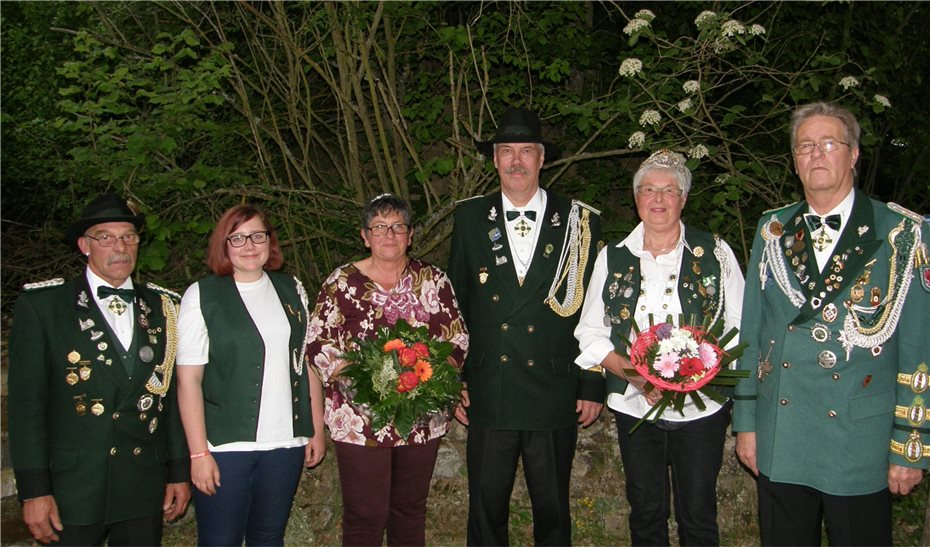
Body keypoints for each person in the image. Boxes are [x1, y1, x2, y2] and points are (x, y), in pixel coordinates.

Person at [733, 102, 930, 545]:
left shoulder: (901, 232)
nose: (816, 155)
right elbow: (753, 333)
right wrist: (747, 422)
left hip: (858, 438)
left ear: (854, 154)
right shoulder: (774, 229)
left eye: (829, 143)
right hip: (783, 432)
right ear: (795, 160)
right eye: (805, 146)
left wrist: (910, 446)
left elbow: (919, 346)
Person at [448, 107, 605, 546]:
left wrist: (591, 383)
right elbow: (457, 304)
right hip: (489, 385)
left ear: (541, 159)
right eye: (506, 152)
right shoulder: (469, 218)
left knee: (553, 507)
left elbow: (594, 309)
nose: (516, 161)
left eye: (526, 151)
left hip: (552, 386)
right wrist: (453, 378)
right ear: (495, 160)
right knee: (485, 504)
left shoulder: (578, 220)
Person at [573, 149, 745, 546]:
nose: (658, 199)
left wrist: (701, 372)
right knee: (646, 511)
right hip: (636, 407)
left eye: (670, 190)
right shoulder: (611, 257)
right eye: (649, 189)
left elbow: (739, 324)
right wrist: (636, 376)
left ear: (684, 199)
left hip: (704, 407)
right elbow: (590, 332)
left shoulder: (715, 252)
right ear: (637, 199)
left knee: (698, 513)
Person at [7, 192, 191, 545]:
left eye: (128, 237)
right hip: (72, 488)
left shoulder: (164, 306)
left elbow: (170, 399)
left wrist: (177, 472)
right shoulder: (44, 307)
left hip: (141, 483)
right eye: (106, 237)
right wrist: (33, 491)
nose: (119, 247)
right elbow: (27, 408)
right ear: (84, 245)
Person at [306, 193, 468, 546]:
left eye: (397, 227)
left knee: (409, 510)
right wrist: (364, 379)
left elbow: (456, 337)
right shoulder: (342, 283)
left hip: (421, 414)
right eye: (379, 228)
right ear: (365, 236)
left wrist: (435, 378)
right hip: (361, 417)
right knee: (366, 514)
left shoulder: (433, 281)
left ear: (410, 234)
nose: (389, 235)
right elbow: (318, 342)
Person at [174, 204, 325, 546]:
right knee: (219, 540)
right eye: (238, 238)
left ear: (270, 241)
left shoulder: (292, 289)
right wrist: (198, 453)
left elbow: (306, 363)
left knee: (269, 537)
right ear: (223, 245)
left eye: (258, 235)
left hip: (285, 443)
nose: (249, 245)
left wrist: (315, 427)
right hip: (225, 446)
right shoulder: (203, 295)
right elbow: (189, 381)